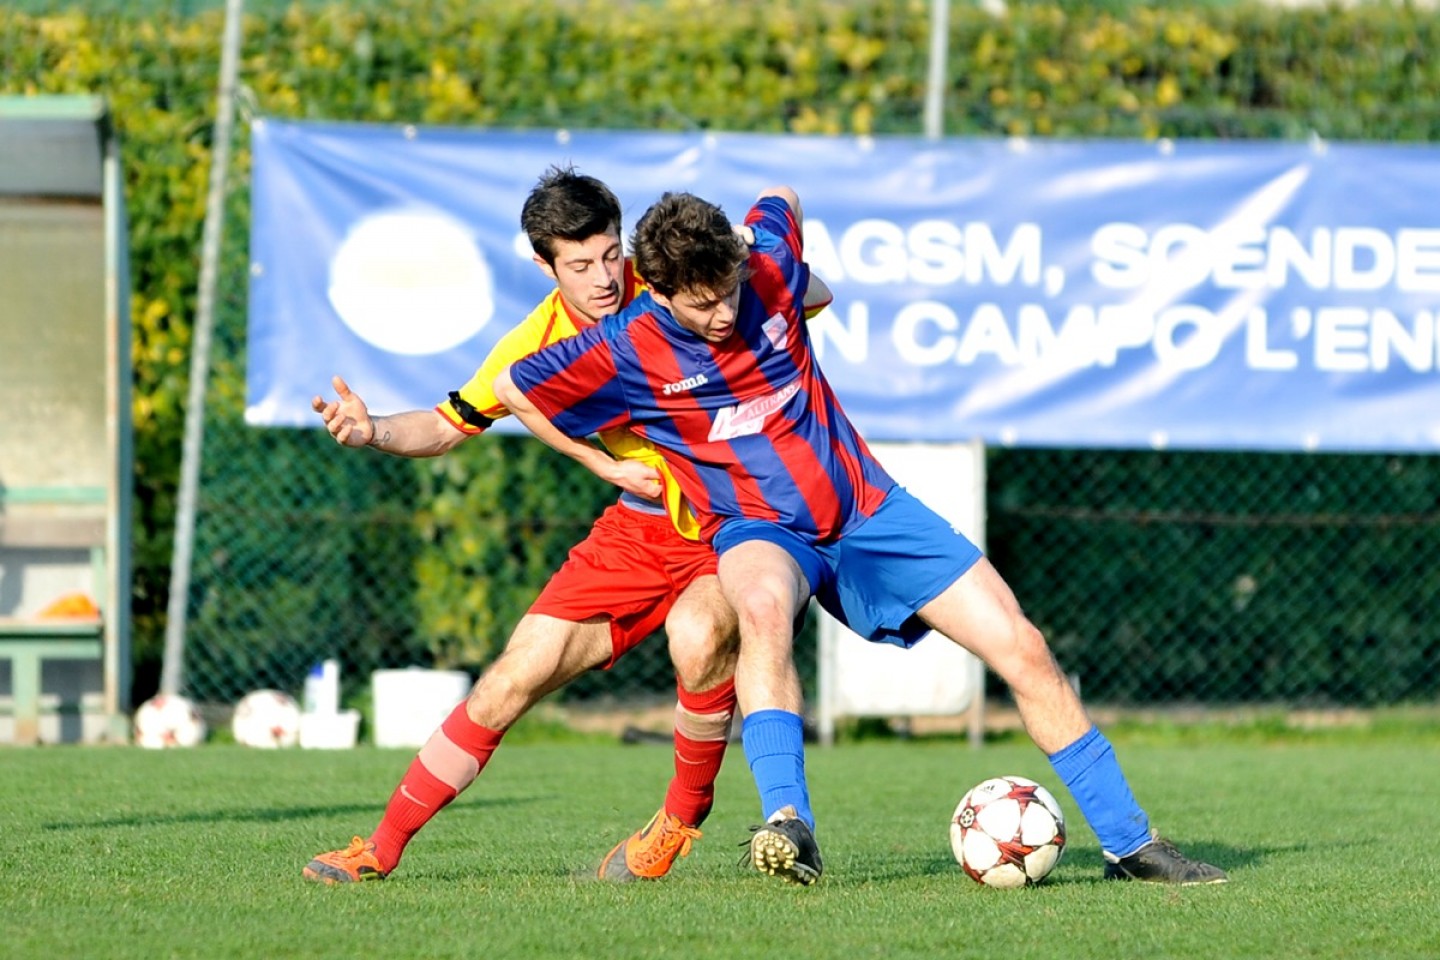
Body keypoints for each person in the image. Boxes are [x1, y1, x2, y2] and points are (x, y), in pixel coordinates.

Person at [493, 187, 1229, 887]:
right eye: (700, 303)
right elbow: (515, 387)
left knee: (1021, 643)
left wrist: (781, 270)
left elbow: (784, 198)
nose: (721, 313)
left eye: (728, 290)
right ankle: (790, 825)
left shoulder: (769, 266)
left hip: (868, 508)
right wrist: (603, 464)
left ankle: (1131, 844)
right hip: (759, 529)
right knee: (761, 615)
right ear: (657, 292)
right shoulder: (627, 344)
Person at [303, 167, 768, 884]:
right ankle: (379, 849)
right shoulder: (533, 343)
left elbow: (779, 298)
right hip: (637, 531)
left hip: (733, 518)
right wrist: (371, 433)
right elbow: (444, 425)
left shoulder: (674, 282)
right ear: (545, 265)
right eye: (579, 265)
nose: (605, 277)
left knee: (698, 635)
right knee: (509, 679)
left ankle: (680, 818)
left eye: (611, 253)